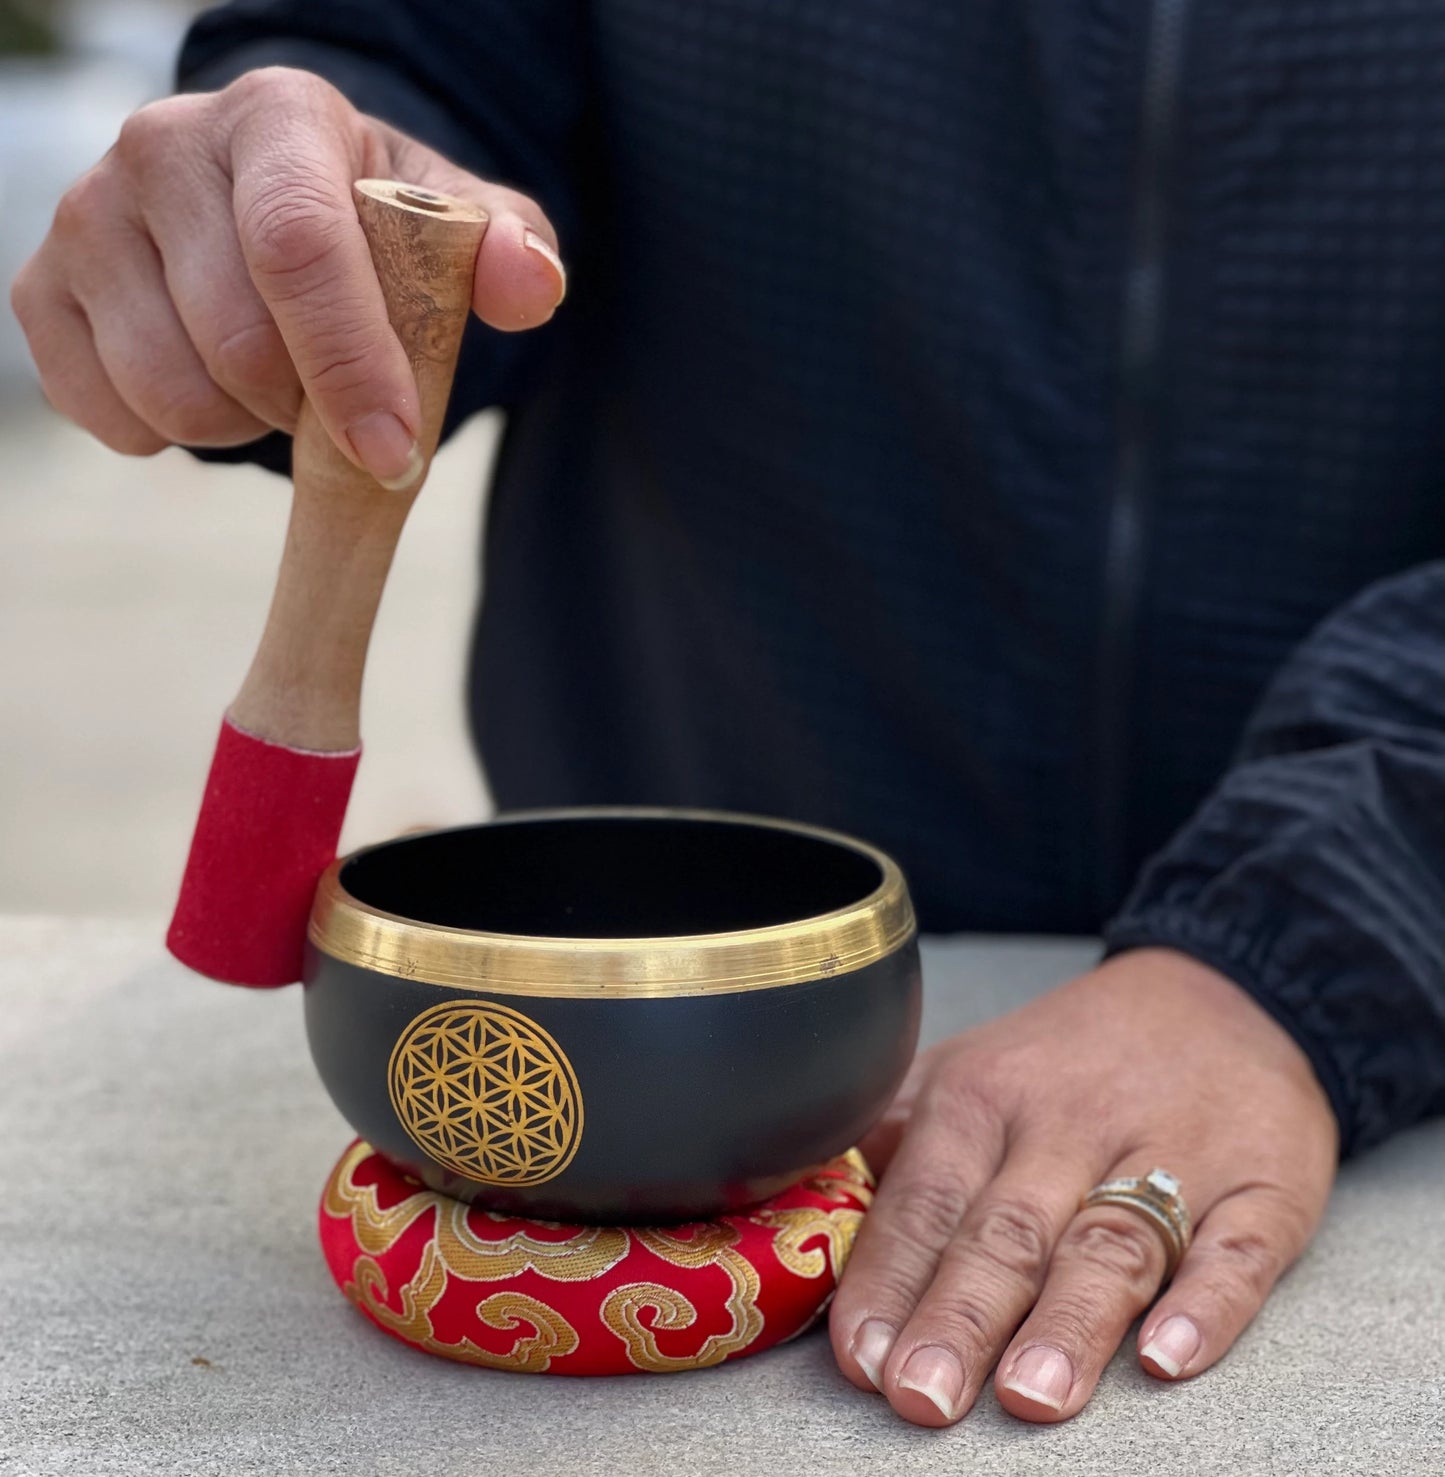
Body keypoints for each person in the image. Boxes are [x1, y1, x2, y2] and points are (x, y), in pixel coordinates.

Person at [11, 0, 1443, 1428]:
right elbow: (425, 60)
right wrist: (290, 217)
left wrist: (1297, 942)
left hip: (1371, 993)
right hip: (624, 958)